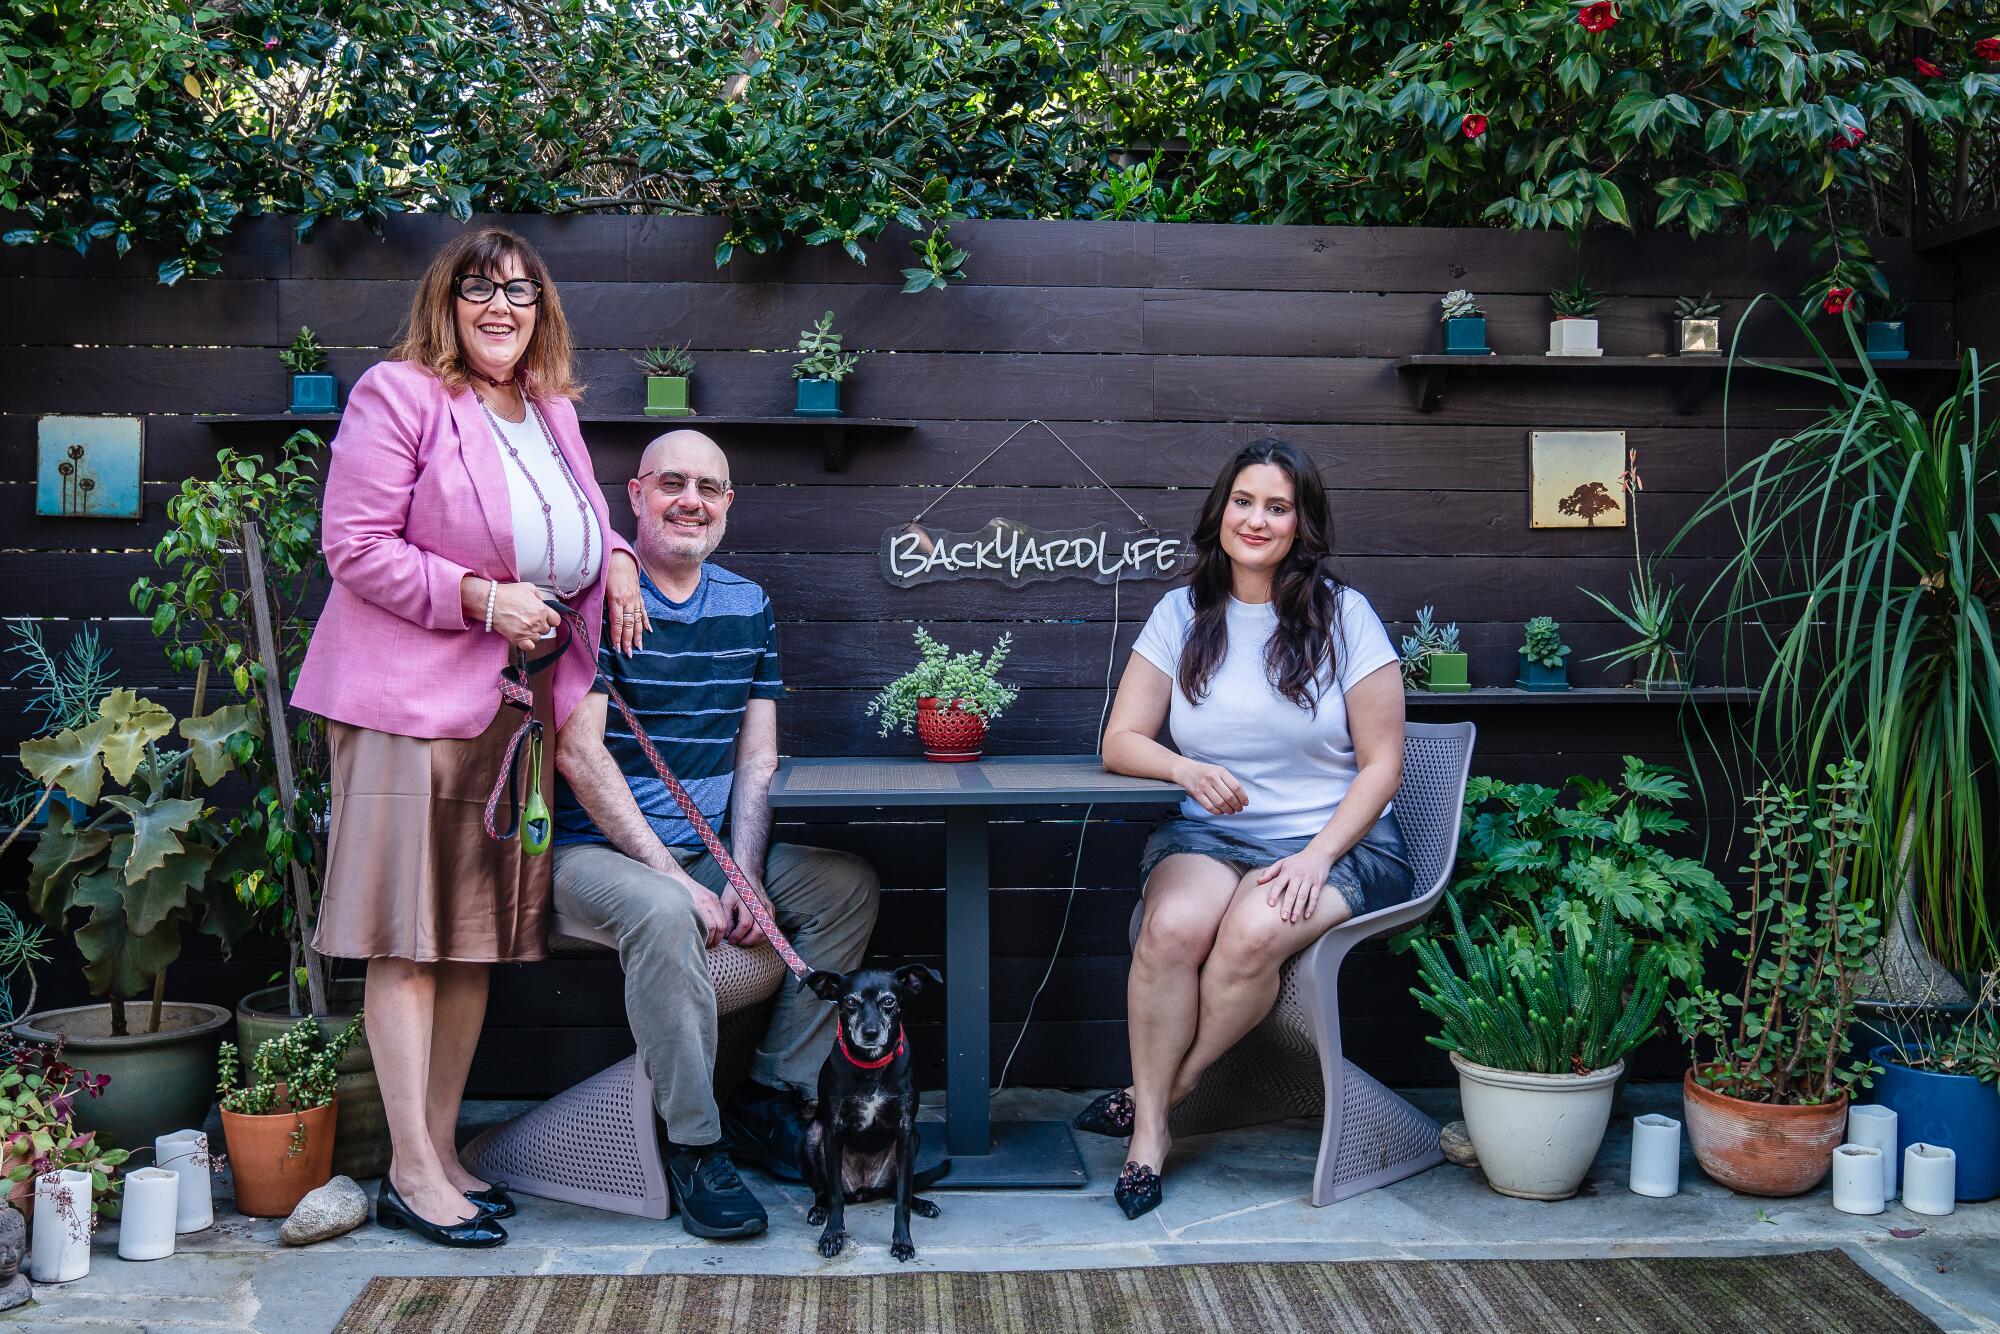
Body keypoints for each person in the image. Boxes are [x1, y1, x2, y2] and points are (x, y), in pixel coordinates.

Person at [293, 227, 650, 1247]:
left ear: (542, 310)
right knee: (409, 939)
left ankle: (443, 1151)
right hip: (406, 707)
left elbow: (571, 520)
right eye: (479, 288)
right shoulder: (400, 394)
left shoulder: (549, 409)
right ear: (445, 303)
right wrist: (481, 599)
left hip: (510, 711)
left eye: (520, 290)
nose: (501, 306)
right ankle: (408, 1171)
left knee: (468, 943)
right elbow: (355, 545)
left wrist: (620, 557)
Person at [552, 428, 880, 1240]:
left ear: (729, 503)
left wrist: (742, 872)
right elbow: (578, 753)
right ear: (636, 495)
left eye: (708, 487)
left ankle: (768, 1097)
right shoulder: (599, 599)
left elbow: (757, 759)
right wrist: (674, 876)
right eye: (672, 483)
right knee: (666, 911)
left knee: (844, 886)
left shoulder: (748, 605)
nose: (690, 501)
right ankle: (696, 1148)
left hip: (703, 849)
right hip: (588, 854)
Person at [1084, 437, 1414, 1220]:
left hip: (1338, 844)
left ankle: (1164, 1096)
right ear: (1221, 511)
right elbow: (1119, 740)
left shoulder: (1345, 616)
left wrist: (1317, 857)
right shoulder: (1181, 613)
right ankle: (1152, 1134)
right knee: (1170, 928)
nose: (1256, 520)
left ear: (1302, 524)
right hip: (1211, 836)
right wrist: (1183, 769)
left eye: (1277, 507)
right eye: (1243, 502)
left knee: (1250, 935)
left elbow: (1383, 766)